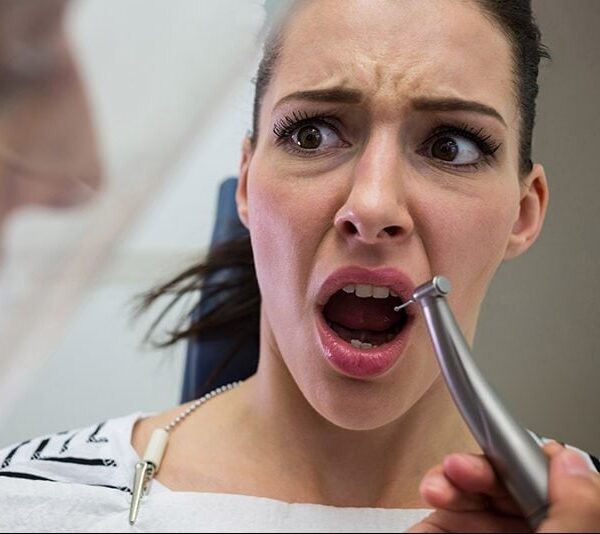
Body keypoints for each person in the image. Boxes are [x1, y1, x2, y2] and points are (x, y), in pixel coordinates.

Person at [0, 0, 599, 532]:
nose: (373, 206)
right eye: (312, 134)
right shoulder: (24, 504)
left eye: (451, 146)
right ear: (246, 182)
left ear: (523, 213)